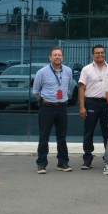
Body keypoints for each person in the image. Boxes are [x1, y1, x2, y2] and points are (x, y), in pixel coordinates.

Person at [33, 46, 74, 174]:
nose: (57, 57)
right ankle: (42, 163)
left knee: (62, 137)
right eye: (55, 55)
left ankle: (62, 162)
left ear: (63, 57)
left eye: (59, 55)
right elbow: (36, 91)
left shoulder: (68, 71)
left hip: (61, 107)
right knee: (44, 136)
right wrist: (45, 100)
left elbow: (67, 86)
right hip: (47, 107)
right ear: (50, 57)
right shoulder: (42, 72)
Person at [78, 45, 108, 170]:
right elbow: (82, 88)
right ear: (93, 55)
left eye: (102, 53)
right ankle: (87, 159)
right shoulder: (86, 69)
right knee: (89, 132)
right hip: (91, 103)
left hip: (107, 104)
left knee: (107, 133)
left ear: (105, 54)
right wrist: (82, 107)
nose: (100, 55)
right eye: (97, 53)